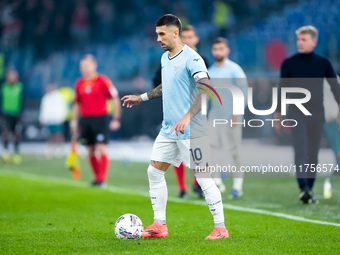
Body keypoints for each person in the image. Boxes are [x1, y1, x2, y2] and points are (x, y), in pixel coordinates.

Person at [122, 14, 228, 240]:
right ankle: (160, 225)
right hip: (169, 129)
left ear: (175, 33)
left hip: (193, 129)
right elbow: (166, 85)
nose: (158, 38)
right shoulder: (164, 58)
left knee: (203, 178)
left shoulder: (193, 59)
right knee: (154, 171)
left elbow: (207, 91)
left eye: (162, 33)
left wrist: (188, 117)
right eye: (156, 34)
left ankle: (220, 228)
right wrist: (141, 97)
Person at [275, 26, 340, 204]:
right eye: (298, 40)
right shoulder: (289, 63)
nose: (300, 43)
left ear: (314, 41)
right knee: (300, 149)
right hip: (297, 113)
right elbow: (281, 90)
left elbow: (335, 87)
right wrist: (278, 114)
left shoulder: (323, 63)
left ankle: (309, 189)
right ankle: (302, 187)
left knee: (313, 153)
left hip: (317, 114)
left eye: (304, 39)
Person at [152, 25, 208, 199]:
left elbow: (207, 89)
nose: (188, 40)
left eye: (191, 37)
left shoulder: (199, 59)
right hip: (176, 114)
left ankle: (198, 185)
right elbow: (158, 81)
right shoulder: (168, 58)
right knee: (175, 154)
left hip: (197, 114)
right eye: (186, 37)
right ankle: (183, 188)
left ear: (196, 39)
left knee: (200, 159)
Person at [71, 55, 121, 188]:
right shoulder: (79, 84)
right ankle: (97, 179)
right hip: (85, 119)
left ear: (94, 66)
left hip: (100, 118)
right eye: (82, 67)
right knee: (91, 150)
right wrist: (74, 122)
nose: (84, 69)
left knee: (101, 148)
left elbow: (115, 98)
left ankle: (102, 179)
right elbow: (77, 104)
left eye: (87, 66)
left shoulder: (103, 81)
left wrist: (116, 118)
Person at [207, 37, 248, 199]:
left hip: (232, 117)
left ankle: (238, 187)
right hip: (214, 116)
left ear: (227, 50)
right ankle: (217, 182)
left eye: (221, 49)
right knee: (211, 151)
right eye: (215, 49)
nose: (218, 52)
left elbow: (243, 92)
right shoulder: (210, 71)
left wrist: (237, 113)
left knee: (235, 151)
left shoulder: (235, 70)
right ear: (212, 51)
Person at [0, 70, 23, 164]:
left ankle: (16, 152)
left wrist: (21, 113)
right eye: (10, 76)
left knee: (16, 133)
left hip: (16, 114)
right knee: (6, 132)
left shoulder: (20, 87)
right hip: (6, 113)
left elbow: (23, 101)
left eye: (14, 76)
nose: (12, 78)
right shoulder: (3, 87)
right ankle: (5, 151)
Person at [39, 84, 68, 158]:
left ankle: (59, 148)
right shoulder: (46, 97)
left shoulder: (59, 97)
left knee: (58, 134)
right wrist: (42, 118)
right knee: (50, 134)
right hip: (49, 119)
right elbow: (43, 109)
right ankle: (51, 148)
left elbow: (63, 107)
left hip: (57, 118)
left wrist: (62, 117)